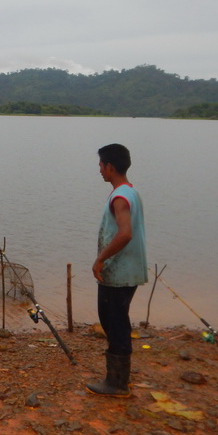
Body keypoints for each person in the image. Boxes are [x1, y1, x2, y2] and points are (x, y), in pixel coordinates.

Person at [87, 144, 148, 397]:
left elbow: (125, 234)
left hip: (118, 274)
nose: (99, 170)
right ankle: (118, 379)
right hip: (127, 272)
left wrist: (100, 259)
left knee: (114, 323)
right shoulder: (130, 192)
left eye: (101, 165)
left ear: (110, 167)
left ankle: (117, 384)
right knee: (117, 322)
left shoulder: (120, 197)